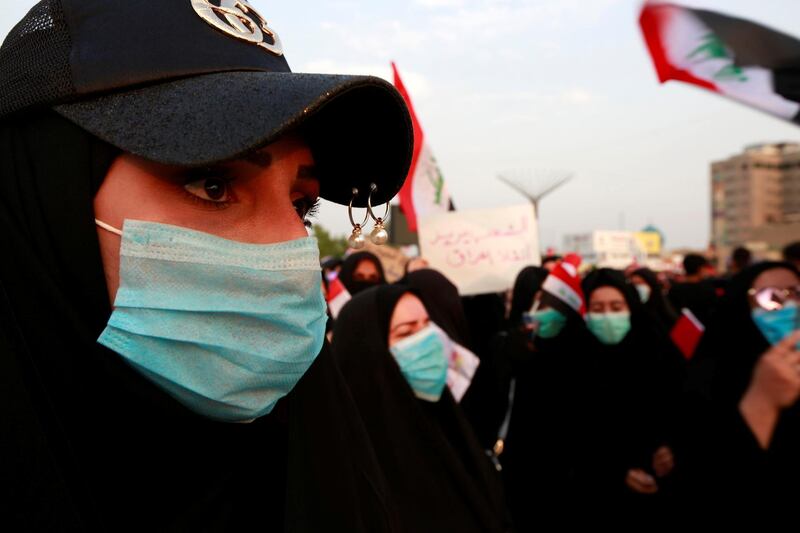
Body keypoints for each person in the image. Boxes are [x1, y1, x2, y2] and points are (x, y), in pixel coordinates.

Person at [0, 0, 413, 529]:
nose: (293, 252)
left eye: (300, 205)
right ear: (44, 199)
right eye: (212, 185)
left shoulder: (317, 476)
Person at [331, 285, 512, 532]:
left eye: (427, 325)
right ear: (369, 354)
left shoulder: (450, 424)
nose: (427, 340)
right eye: (406, 333)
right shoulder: (352, 471)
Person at [682, 262, 800, 514]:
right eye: (771, 297)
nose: (790, 306)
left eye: (797, 293)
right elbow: (707, 474)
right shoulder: (710, 377)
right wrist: (762, 402)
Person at [483, 259, 591, 529]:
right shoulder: (504, 347)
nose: (544, 311)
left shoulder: (577, 346)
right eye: (537, 300)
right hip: (516, 472)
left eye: (549, 302)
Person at [575, 269, 684, 513]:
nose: (607, 316)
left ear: (631, 308)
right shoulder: (570, 362)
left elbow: (685, 410)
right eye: (597, 309)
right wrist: (614, 470)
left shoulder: (659, 352)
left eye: (616, 307)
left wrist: (672, 448)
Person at [668, 253, 719, 326]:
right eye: (705, 268)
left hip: (680, 331)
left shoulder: (674, 290)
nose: (706, 271)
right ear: (699, 269)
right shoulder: (707, 290)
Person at [628, 267, 679, 334]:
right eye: (634, 284)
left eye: (641, 283)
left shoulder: (663, 309)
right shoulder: (629, 310)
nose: (638, 288)